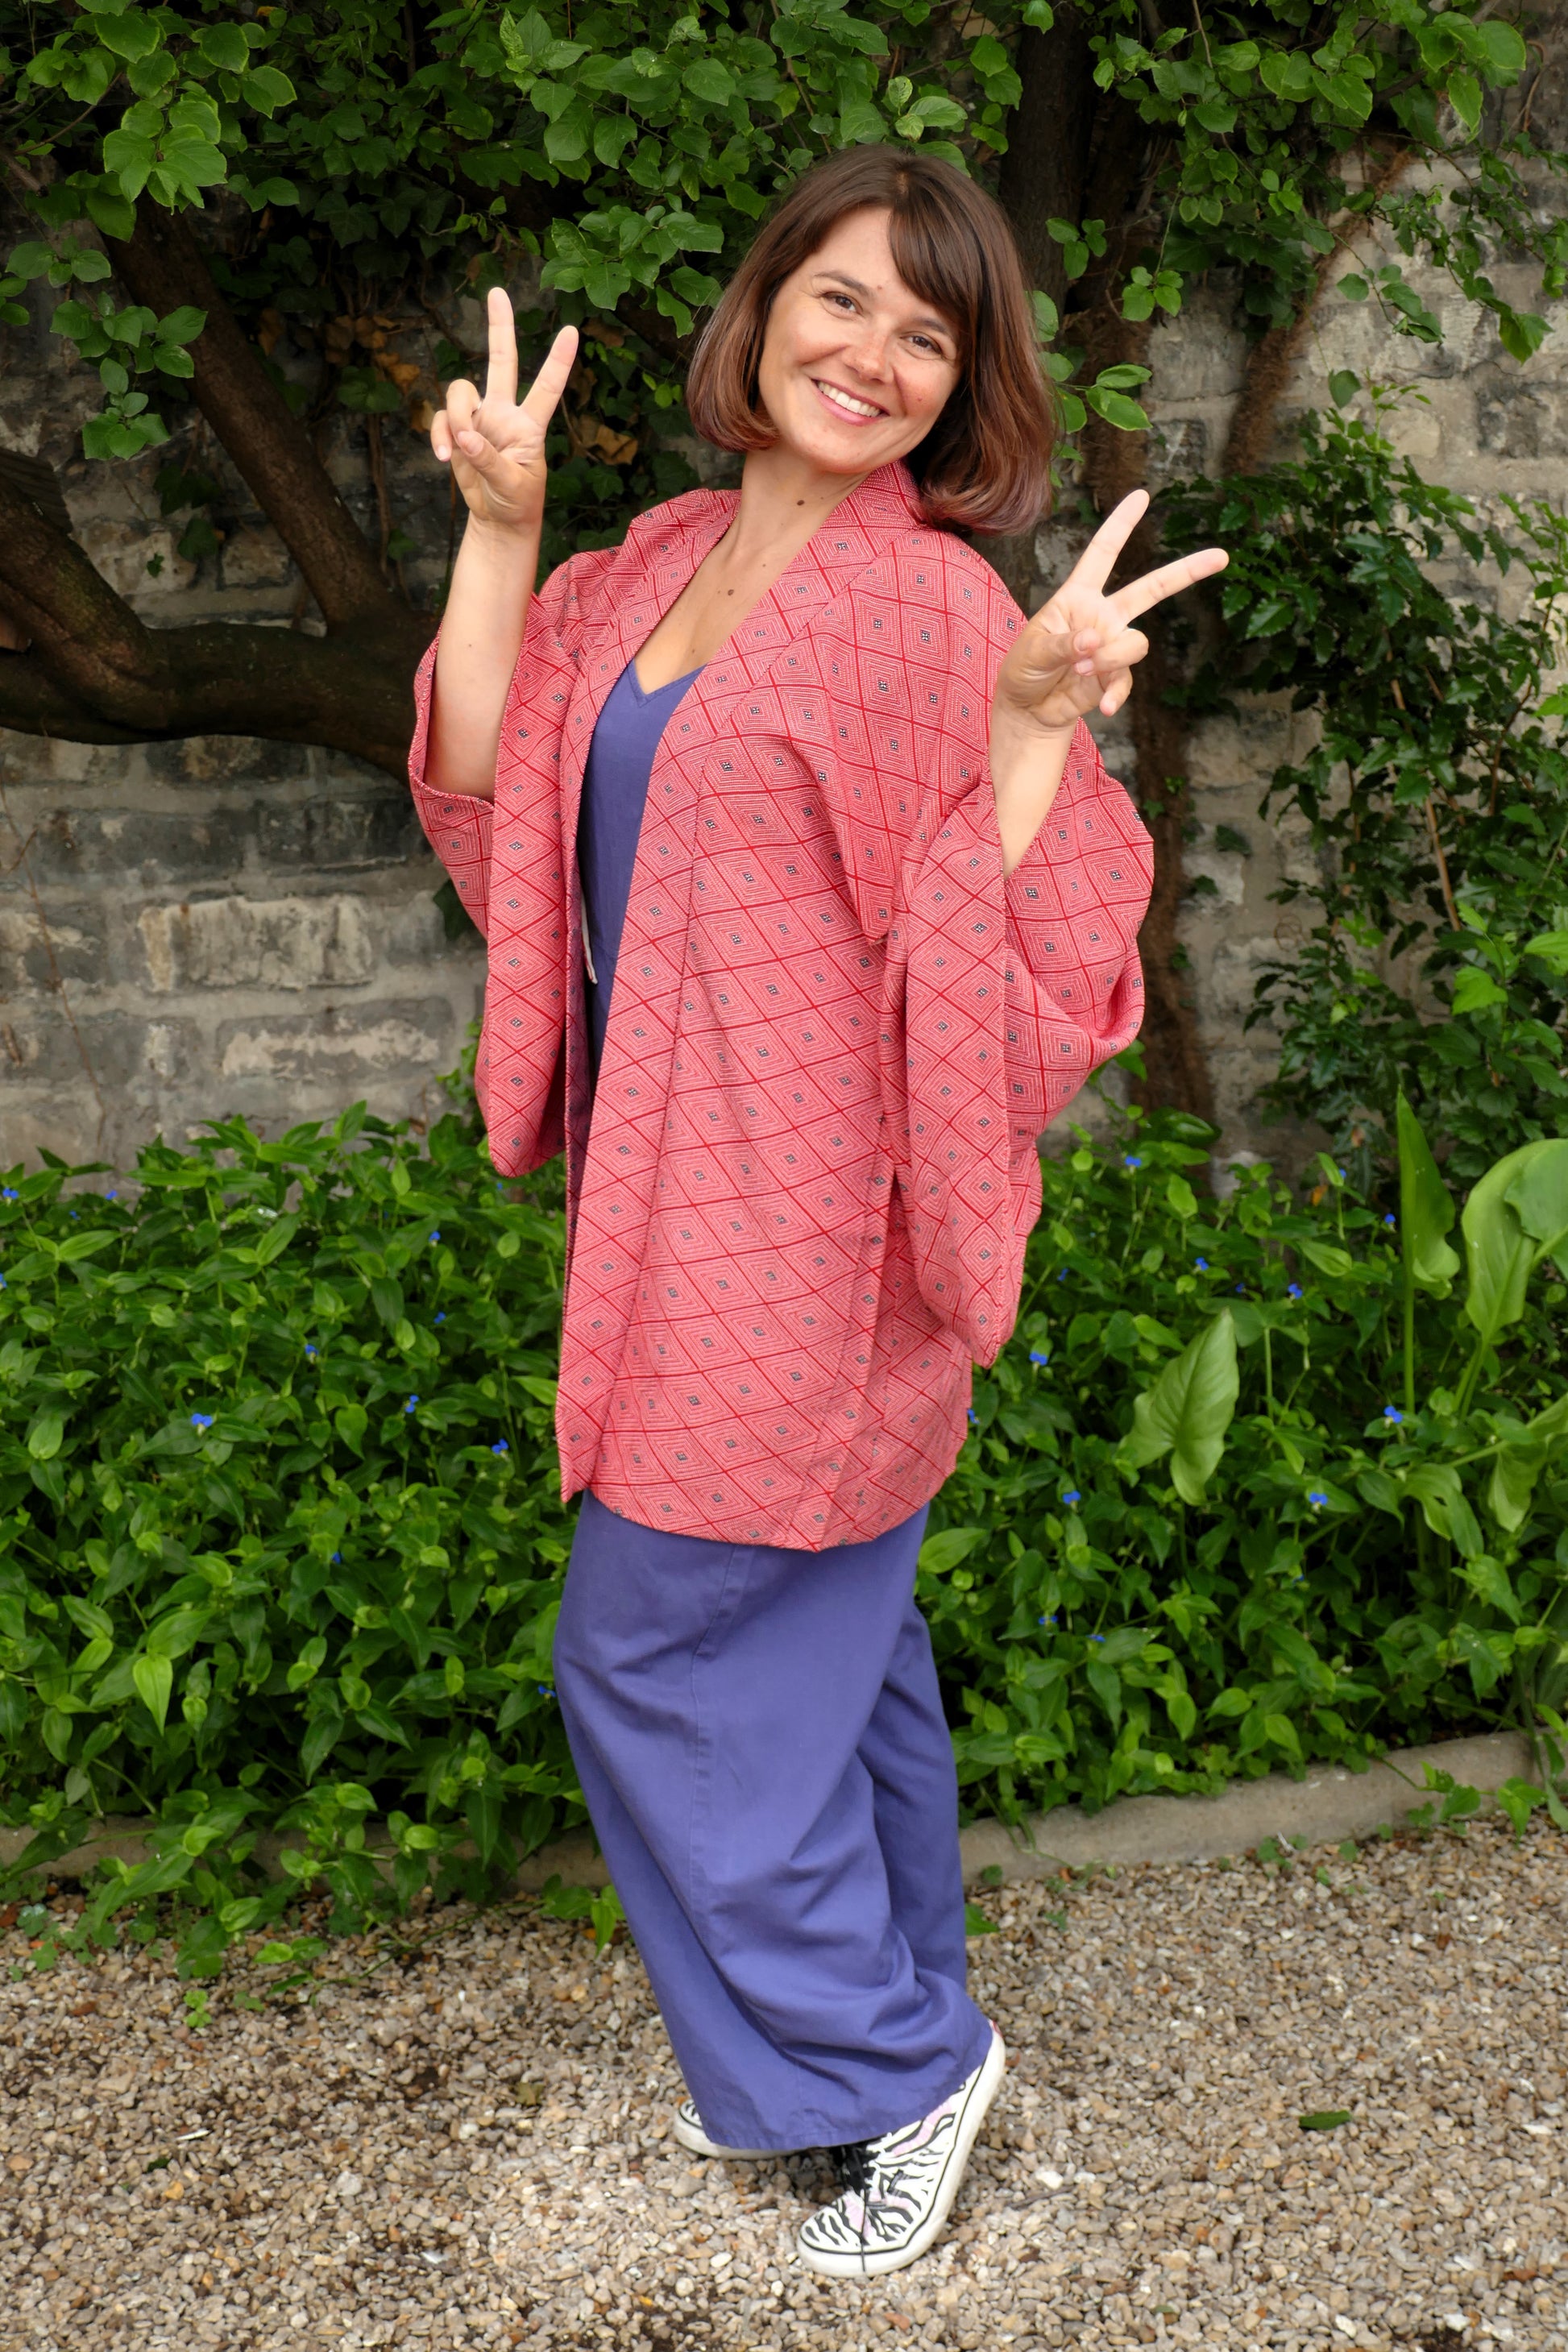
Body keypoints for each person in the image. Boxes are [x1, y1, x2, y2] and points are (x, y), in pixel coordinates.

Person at [412, 145, 1226, 2278]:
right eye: (841, 298)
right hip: (661, 1198)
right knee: (834, 1659)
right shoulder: (655, 553)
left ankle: (887, 2063)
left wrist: (1032, 728)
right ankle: (893, 2038)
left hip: (807, 1238)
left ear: (964, 387)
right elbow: (497, 795)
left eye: (924, 331)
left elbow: (1033, 945)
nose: (870, 352)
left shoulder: (925, 609)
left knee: (652, 1653)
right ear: (765, 304)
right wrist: (500, 534)